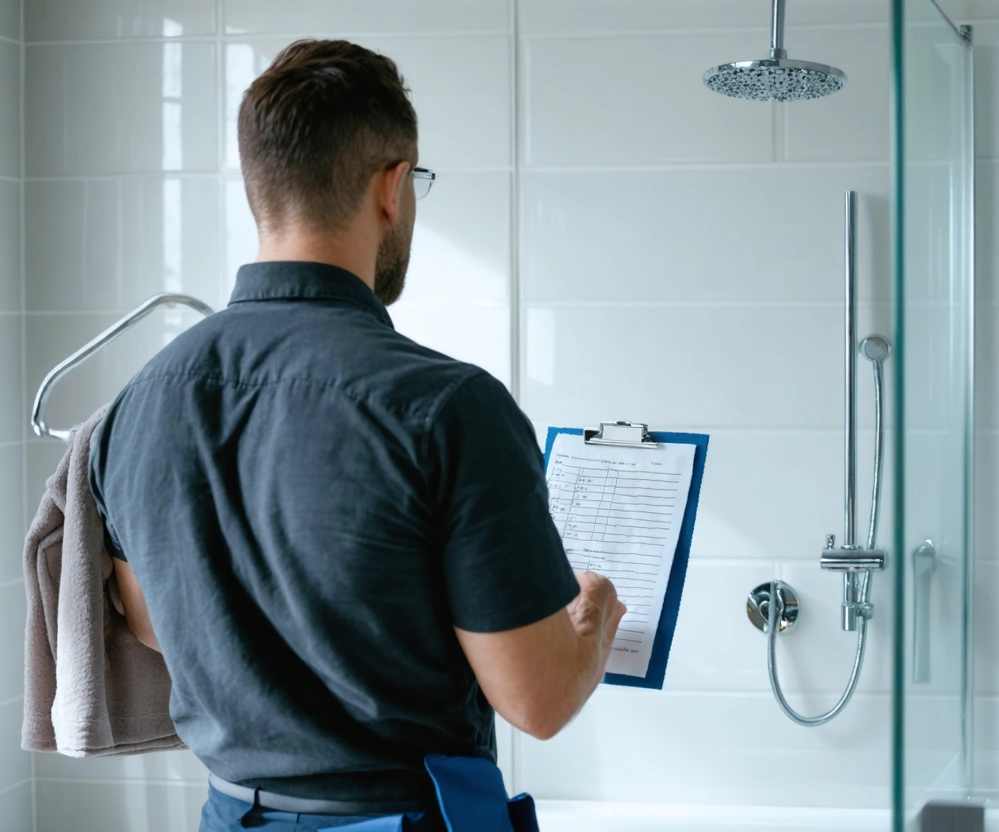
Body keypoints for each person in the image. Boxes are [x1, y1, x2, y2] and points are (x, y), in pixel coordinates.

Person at [89, 39, 625, 832]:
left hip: (228, 815)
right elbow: (537, 701)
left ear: (261, 189)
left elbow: (154, 624)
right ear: (392, 186)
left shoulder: (137, 404)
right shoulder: (450, 408)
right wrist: (596, 616)